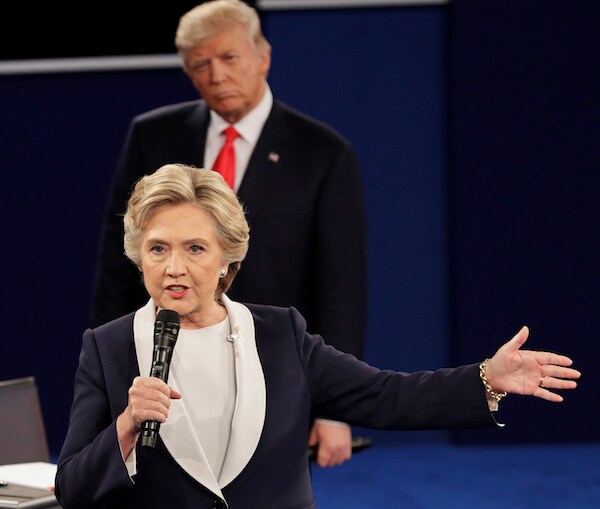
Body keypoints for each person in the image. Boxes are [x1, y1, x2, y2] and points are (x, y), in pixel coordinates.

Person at [56, 163, 581, 509]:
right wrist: (125, 426)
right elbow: (72, 487)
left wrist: (486, 378)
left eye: (195, 248)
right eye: (157, 249)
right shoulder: (107, 347)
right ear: (137, 256)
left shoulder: (280, 333)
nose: (174, 267)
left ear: (226, 259)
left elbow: (386, 396)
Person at [90, 0, 366, 467]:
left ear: (264, 57)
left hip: (272, 373)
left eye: (229, 58)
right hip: (165, 371)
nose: (216, 74)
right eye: (201, 64)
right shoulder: (152, 137)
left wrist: (334, 407)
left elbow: (341, 287)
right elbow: (117, 269)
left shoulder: (323, 153)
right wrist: (106, 380)